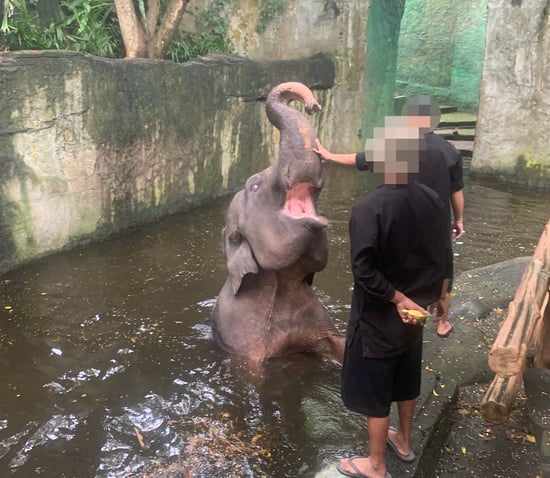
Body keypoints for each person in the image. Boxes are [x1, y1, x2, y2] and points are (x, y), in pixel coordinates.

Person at [336, 131, 452, 478]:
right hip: (417, 314)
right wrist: (443, 295)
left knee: (375, 389)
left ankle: (375, 465)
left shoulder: (368, 209)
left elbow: (364, 273)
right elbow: (444, 253)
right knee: (405, 376)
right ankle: (402, 441)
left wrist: (398, 299)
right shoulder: (434, 200)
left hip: (382, 315)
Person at [314, 95, 464, 338]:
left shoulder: (396, 149)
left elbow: (360, 160)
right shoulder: (449, 151)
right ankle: (441, 321)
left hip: (399, 218)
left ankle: (398, 307)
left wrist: (328, 155)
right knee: (442, 260)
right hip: (433, 216)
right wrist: (459, 220)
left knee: (393, 264)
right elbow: (457, 191)